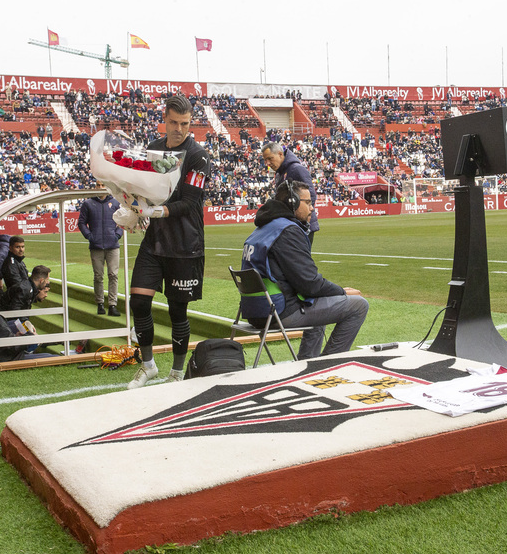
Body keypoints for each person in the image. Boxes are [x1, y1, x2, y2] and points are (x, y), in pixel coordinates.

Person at [126, 95, 211, 389]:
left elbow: (190, 202)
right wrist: (132, 210)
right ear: (165, 119)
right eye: (174, 122)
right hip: (154, 241)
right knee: (138, 301)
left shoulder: (198, 156)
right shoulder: (153, 149)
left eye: (185, 124)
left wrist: (156, 211)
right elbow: (141, 188)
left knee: (178, 311)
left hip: (185, 244)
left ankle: (176, 372)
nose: (179, 129)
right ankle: (148, 366)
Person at [241, 181, 367, 359]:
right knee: (359, 306)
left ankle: (308, 364)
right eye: (307, 202)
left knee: (317, 305)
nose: (312, 208)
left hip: (255, 311)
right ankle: (327, 365)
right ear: (292, 202)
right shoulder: (287, 231)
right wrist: (341, 291)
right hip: (278, 313)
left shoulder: (261, 229)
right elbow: (310, 284)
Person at [0, 284, 53, 362]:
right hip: (4, 359)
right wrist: (30, 337)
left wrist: (16, 337)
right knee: (53, 357)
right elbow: (11, 347)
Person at [262, 141, 320, 245]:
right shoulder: (280, 173)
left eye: (270, 158)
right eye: (265, 160)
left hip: (301, 225)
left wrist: (300, 219)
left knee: (298, 260)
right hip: (289, 225)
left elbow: (311, 195)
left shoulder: (296, 169)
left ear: (280, 154)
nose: (267, 163)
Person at [78, 192, 123, 316]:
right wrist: (89, 236)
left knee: (113, 275)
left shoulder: (115, 203)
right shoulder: (88, 203)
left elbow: (123, 220)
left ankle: (113, 305)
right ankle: (100, 304)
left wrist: (117, 235)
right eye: (98, 184)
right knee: (98, 276)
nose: (100, 187)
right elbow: (81, 222)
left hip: (113, 246)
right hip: (96, 246)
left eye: (102, 184)